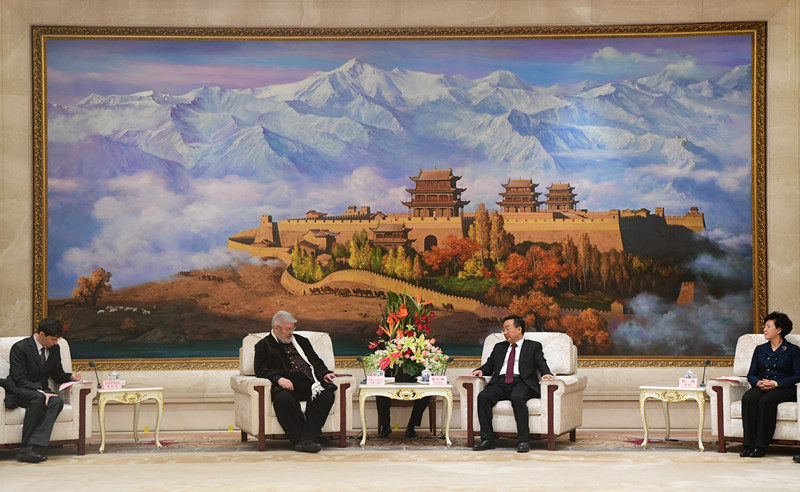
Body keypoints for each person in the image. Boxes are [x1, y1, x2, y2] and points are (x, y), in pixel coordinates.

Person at [253, 311, 338, 453]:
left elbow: (316, 362)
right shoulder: (263, 345)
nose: (291, 333)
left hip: (310, 385)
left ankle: (307, 439)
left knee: (327, 395)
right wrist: (278, 379)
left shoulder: (302, 341)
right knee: (282, 399)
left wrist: (325, 373)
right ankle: (300, 440)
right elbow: (260, 369)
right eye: (288, 329)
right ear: (276, 328)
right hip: (286, 387)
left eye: (293, 329)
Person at [471, 315, 556, 453]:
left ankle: (523, 441)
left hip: (521, 382)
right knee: (483, 396)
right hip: (500, 382)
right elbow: (489, 365)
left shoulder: (533, 346)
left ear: (519, 329)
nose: (505, 333)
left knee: (517, 397)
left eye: (507, 329)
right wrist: (480, 370)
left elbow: (540, 362)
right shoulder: (499, 347)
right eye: (503, 330)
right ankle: (487, 439)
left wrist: (546, 373)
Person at [8, 318, 82, 463]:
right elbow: (18, 378)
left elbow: (57, 373)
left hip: (42, 390)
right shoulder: (20, 348)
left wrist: (71, 377)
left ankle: (32, 447)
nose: (55, 343)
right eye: (53, 339)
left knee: (56, 401)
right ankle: (27, 447)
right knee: (39, 398)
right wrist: (41, 392)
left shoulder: (55, 348)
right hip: (21, 389)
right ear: (42, 334)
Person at [739, 311, 800, 458]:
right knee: (748, 398)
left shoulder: (792, 350)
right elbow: (751, 373)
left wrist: (776, 383)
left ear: (779, 330)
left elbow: (797, 375)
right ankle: (748, 445)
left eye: (768, 326)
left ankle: (760, 446)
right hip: (762, 385)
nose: (764, 329)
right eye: (764, 326)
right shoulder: (760, 349)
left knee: (766, 401)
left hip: (784, 388)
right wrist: (757, 382)